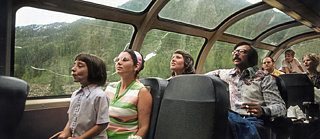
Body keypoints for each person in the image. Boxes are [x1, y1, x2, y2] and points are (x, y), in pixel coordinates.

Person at [205, 42, 286, 139]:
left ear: (251, 57)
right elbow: (210, 75)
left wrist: (263, 111)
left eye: (242, 51)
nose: (236, 53)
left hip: (255, 121)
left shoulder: (265, 79)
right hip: (232, 117)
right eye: (235, 51)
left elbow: (281, 107)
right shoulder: (229, 74)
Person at [58, 53, 110, 139]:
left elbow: (102, 124)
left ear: (93, 71)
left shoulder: (100, 96)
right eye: (74, 65)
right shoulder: (75, 94)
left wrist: (80, 138)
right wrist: (65, 132)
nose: (73, 69)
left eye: (80, 66)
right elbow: (72, 118)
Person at [105, 49, 152, 139]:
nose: (119, 63)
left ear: (136, 66)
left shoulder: (142, 92)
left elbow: (143, 127)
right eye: (117, 60)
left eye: (124, 60)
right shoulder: (110, 87)